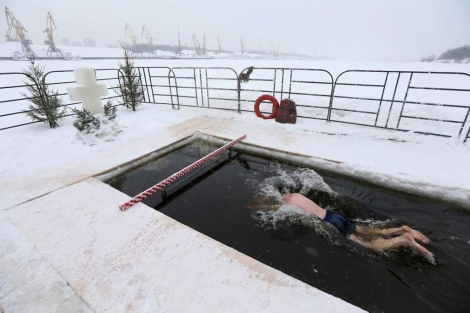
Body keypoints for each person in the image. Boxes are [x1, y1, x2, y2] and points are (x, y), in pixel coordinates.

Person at [250, 192, 433, 257]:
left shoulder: (288, 205)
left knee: (368, 245)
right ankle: (399, 229)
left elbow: (275, 207)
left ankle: (403, 239)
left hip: (329, 222)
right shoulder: (296, 195)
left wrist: (256, 205)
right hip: (333, 214)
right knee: (366, 229)